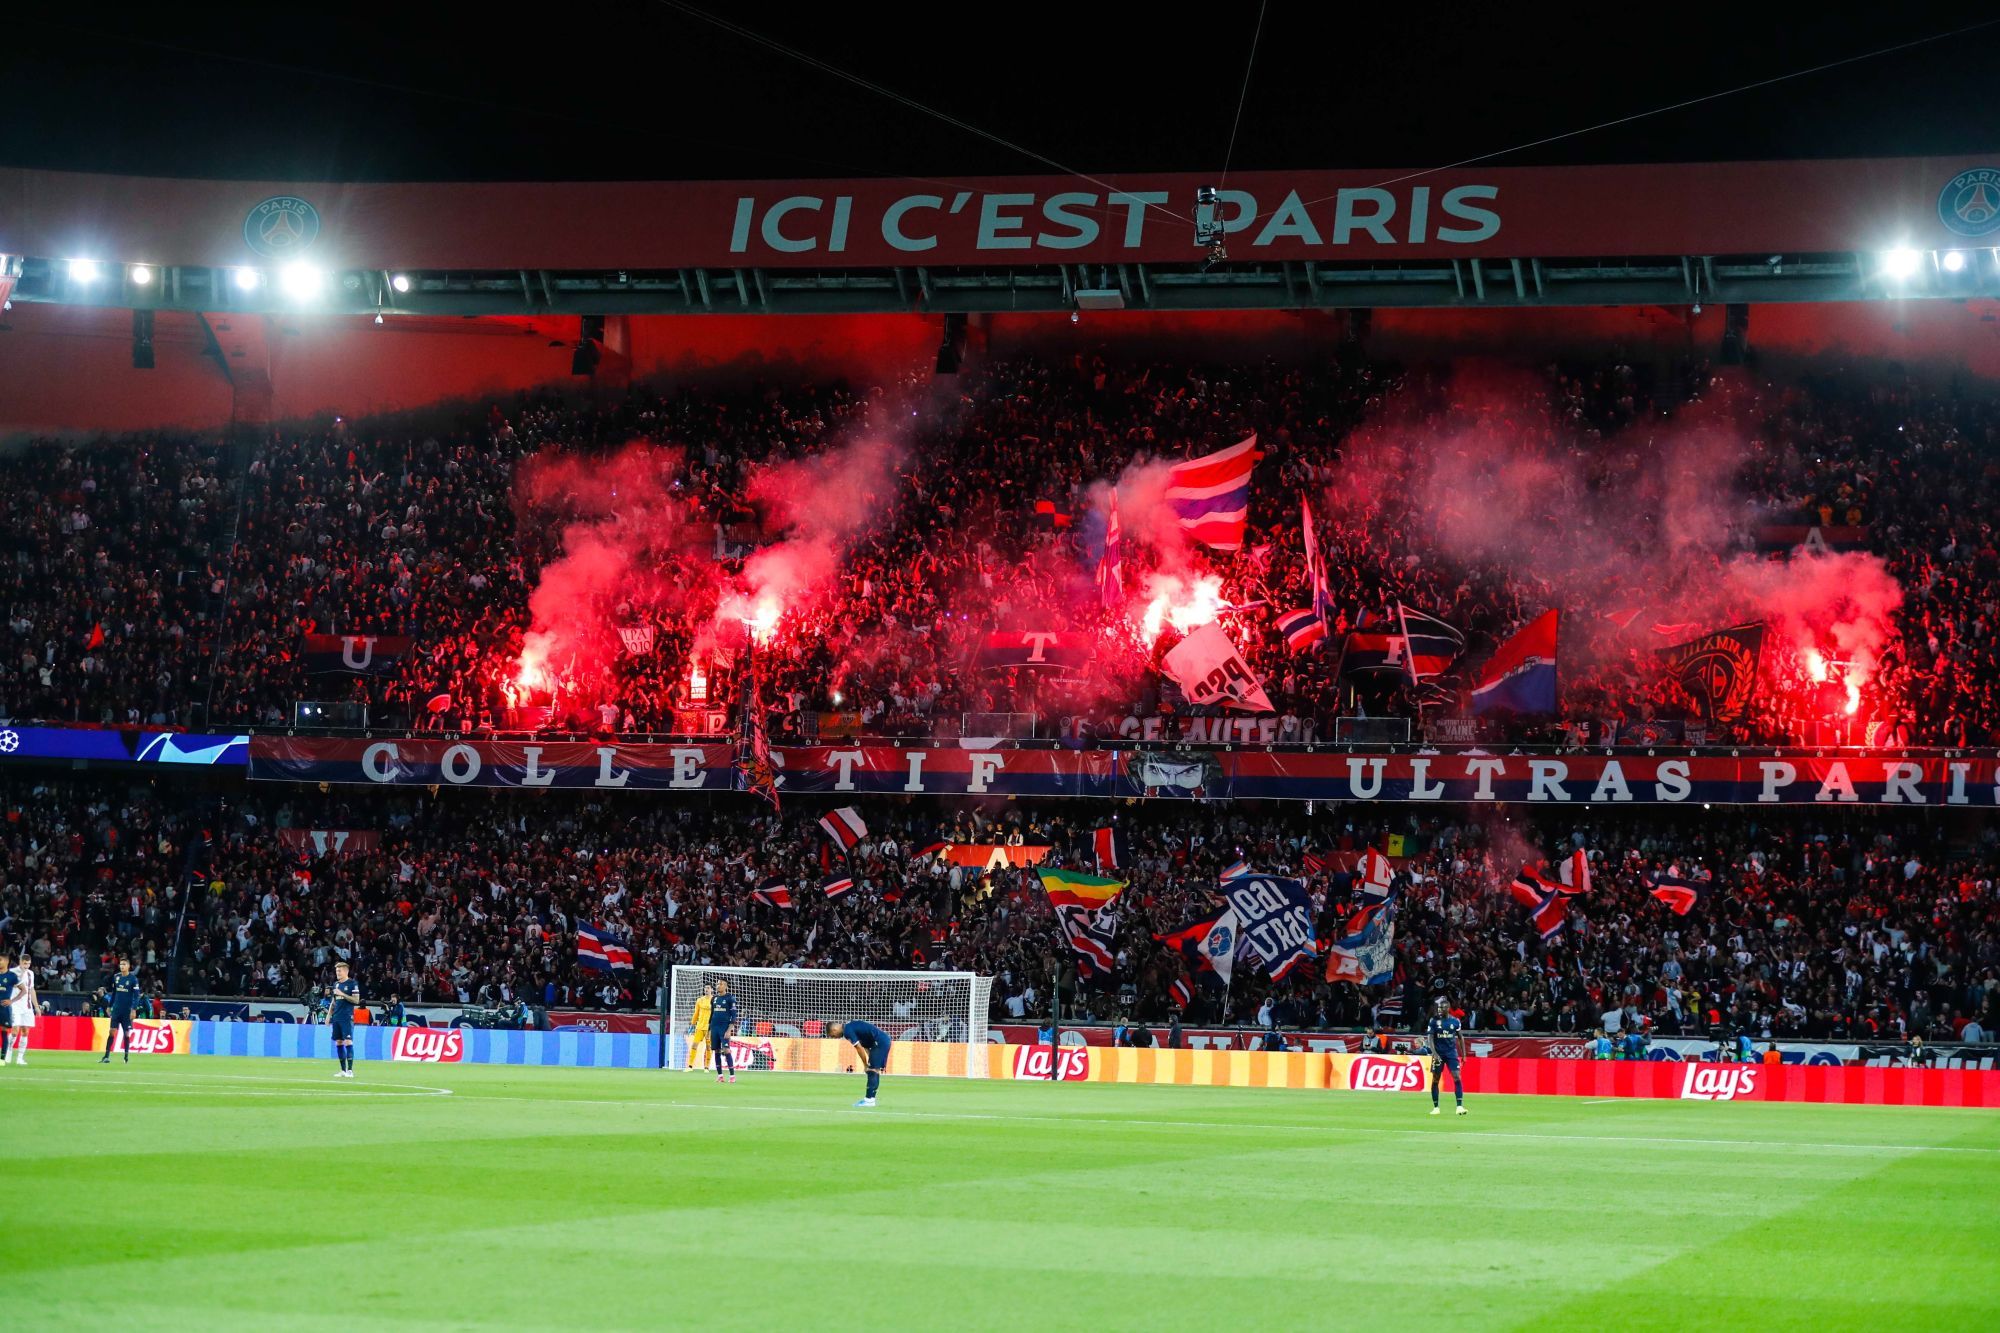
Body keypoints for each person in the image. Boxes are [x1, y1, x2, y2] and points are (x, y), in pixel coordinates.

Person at [1425, 995, 1467, 1116]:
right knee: (1435, 1079)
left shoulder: (1455, 1021)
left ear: (1447, 1008)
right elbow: (1430, 1038)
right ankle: (1436, 1107)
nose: (1439, 1010)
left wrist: (1464, 1054)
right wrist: (1434, 1054)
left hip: (1451, 1054)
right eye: (1438, 1008)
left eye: (1442, 1008)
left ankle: (1459, 1106)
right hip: (1438, 1054)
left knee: (1457, 1077)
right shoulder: (1433, 1021)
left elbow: (1460, 1037)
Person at [838, 1019, 892, 1107]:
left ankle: (869, 1100)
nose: (835, 1037)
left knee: (872, 1070)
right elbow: (866, 1046)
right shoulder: (852, 1027)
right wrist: (870, 1061)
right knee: (873, 1070)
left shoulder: (847, 1030)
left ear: (834, 1030)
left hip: (879, 1043)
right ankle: (870, 1099)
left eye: (833, 1035)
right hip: (880, 1042)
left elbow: (859, 1048)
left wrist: (865, 1065)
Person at [102, 958, 142, 1063]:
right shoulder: (116, 977)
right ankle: (106, 1056)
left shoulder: (133, 979)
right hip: (116, 1010)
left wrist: (133, 1010)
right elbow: (114, 993)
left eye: (124, 964)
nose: (122, 966)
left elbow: (137, 996)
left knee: (127, 1034)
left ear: (128, 966)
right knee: (112, 1032)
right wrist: (109, 1006)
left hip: (127, 1012)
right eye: (120, 964)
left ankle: (126, 1057)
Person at [329, 961, 361, 1079]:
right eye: (336, 971)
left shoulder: (352, 984)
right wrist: (328, 1016)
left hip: (347, 1017)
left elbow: (356, 1001)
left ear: (346, 971)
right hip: (336, 1017)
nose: (337, 973)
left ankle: (350, 1070)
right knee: (339, 1042)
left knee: (348, 1042)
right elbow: (334, 1001)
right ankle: (342, 1070)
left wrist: (342, 993)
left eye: (339, 970)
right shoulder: (336, 984)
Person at [7, 954, 36, 1064]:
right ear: (20, 962)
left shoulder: (31, 974)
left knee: (25, 1032)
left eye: (28, 964)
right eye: (25, 963)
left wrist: (36, 1006)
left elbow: (31, 989)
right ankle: (8, 1052)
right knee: (15, 1030)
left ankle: (20, 1058)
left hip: (27, 1007)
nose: (27, 966)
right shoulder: (12, 972)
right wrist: (21, 974)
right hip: (15, 1006)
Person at [709, 978, 737, 1084]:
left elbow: (734, 1016)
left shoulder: (730, 998)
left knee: (726, 1050)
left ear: (726, 986)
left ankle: (732, 1075)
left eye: (721, 984)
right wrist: (709, 1029)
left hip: (724, 1027)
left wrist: (729, 1030)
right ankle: (720, 1076)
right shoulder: (714, 999)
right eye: (717, 984)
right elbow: (712, 1014)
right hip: (714, 1027)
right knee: (716, 1050)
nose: (718, 986)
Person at [688, 982, 714, 1073]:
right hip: (699, 1026)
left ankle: (706, 1067)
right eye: (705, 988)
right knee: (694, 1045)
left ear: (712, 989)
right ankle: (690, 1066)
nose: (706, 990)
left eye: (708, 988)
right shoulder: (699, 1000)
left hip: (709, 1028)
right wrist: (692, 1024)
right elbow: (696, 1013)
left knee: (708, 1047)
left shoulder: (714, 1000)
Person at [0, 953, 15, 1064]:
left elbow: (23, 989)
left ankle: (2, 1059)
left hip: (4, 1008)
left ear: (6, 961)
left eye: (0, 960)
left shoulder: (11, 976)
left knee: (4, 1031)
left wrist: (11, 1001)